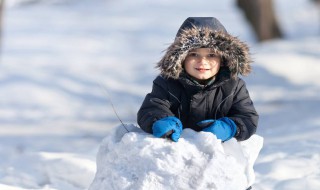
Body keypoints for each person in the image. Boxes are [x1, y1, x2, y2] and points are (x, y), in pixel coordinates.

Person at [137, 17, 258, 142]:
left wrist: (230, 127)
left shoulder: (234, 86)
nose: (202, 62)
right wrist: (161, 120)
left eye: (211, 55)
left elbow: (247, 117)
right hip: (174, 149)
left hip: (219, 154)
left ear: (223, 60)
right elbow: (152, 108)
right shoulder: (166, 83)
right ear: (181, 58)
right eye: (194, 54)